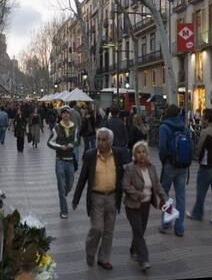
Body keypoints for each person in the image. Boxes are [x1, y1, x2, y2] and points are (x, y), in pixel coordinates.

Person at [71, 128, 127, 269]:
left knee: (109, 231)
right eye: (98, 139)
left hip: (112, 197)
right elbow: (83, 178)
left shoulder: (118, 154)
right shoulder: (90, 155)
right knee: (97, 228)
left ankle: (103, 258)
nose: (100, 142)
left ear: (110, 141)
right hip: (96, 197)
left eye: (103, 140)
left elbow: (124, 173)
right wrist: (76, 199)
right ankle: (90, 251)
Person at [122, 141, 168, 271]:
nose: (141, 154)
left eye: (144, 152)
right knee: (138, 231)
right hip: (132, 205)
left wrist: (164, 198)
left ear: (147, 153)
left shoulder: (151, 168)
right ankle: (144, 260)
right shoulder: (130, 168)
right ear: (134, 155)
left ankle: (133, 249)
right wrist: (137, 194)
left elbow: (157, 185)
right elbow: (125, 185)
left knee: (139, 231)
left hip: (146, 205)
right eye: (138, 152)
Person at [186, 109, 212, 226]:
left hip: (207, 166)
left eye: (203, 117)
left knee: (201, 192)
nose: (201, 119)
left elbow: (199, 148)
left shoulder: (206, 131)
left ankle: (197, 214)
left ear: (207, 119)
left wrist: (196, 155)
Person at [158, 104, 191, 237]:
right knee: (181, 197)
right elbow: (190, 144)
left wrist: (164, 161)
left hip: (169, 165)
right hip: (182, 166)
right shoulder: (184, 126)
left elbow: (162, 148)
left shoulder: (164, 127)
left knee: (165, 195)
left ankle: (167, 223)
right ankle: (180, 228)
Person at [47, 106, 79, 219]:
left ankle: (63, 196)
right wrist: (60, 147)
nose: (66, 115)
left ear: (69, 115)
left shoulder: (74, 127)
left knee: (70, 184)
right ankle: (64, 210)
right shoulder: (56, 128)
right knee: (61, 185)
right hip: (59, 160)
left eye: (68, 113)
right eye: (64, 113)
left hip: (70, 160)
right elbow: (49, 142)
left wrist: (72, 145)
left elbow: (77, 140)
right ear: (61, 115)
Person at [68, 101, 83, 167]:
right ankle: (76, 160)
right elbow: (80, 123)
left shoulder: (67, 113)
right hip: (76, 132)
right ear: (74, 105)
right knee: (76, 147)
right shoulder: (77, 113)